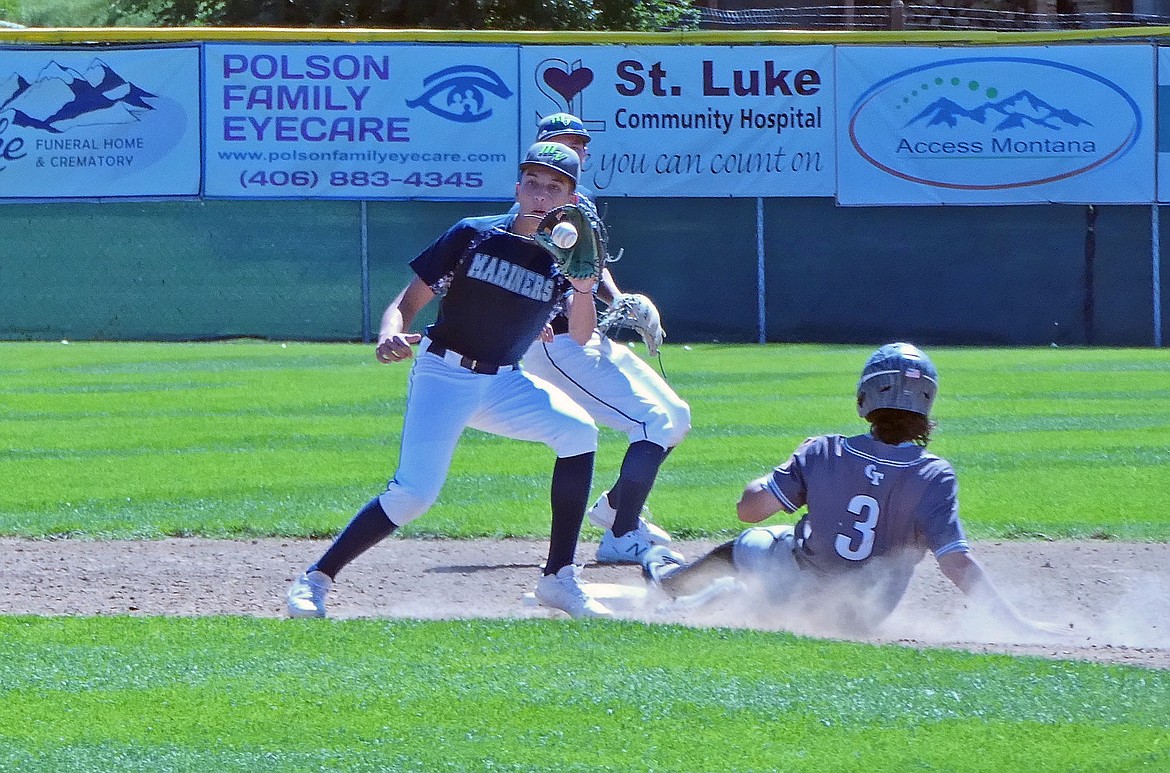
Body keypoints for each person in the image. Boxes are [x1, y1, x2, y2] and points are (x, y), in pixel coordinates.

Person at [287, 141, 613, 619]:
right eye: (534, 182)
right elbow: (408, 301)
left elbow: (581, 334)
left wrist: (584, 287)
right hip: (444, 374)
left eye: (555, 186)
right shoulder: (474, 234)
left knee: (579, 432)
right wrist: (389, 334)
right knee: (415, 494)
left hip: (504, 383)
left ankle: (558, 578)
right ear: (518, 186)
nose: (541, 193)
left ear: (571, 196)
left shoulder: (568, 258)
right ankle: (316, 578)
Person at [644, 343, 1069, 638]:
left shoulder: (825, 451)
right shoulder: (935, 475)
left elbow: (749, 510)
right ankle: (736, 600)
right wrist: (1016, 624)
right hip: (861, 618)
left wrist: (791, 459)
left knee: (752, 542)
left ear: (865, 398)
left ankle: (674, 584)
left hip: (796, 590)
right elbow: (957, 563)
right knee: (778, 558)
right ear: (927, 405)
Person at [521, 113, 691, 567]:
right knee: (653, 422)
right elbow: (522, 266)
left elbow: (588, 265)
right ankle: (621, 534)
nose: (573, 149)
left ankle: (615, 507)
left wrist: (621, 298)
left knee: (675, 416)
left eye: (579, 143)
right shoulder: (537, 208)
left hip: (584, 337)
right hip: (553, 344)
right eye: (562, 142)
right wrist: (524, 313)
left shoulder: (581, 203)